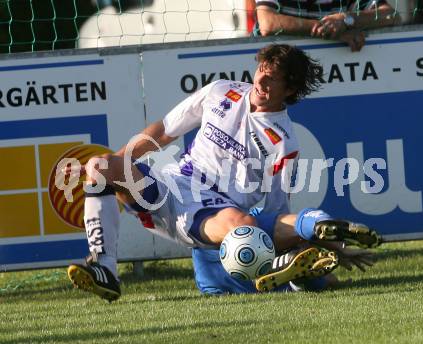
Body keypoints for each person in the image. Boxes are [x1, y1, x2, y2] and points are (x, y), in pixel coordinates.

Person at [65, 44, 380, 302]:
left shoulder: (283, 142)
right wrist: (120, 161)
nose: (260, 82)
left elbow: (274, 211)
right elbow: (163, 131)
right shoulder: (221, 92)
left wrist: (315, 245)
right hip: (171, 186)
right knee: (100, 166)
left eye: (272, 79)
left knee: (245, 228)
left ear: (291, 88)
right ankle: (104, 267)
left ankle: (306, 255)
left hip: (215, 215)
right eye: (260, 71)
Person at [254, 0, 400, 51]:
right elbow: (268, 23)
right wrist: (329, 30)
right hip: (276, 69)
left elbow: (391, 16)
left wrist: (346, 20)